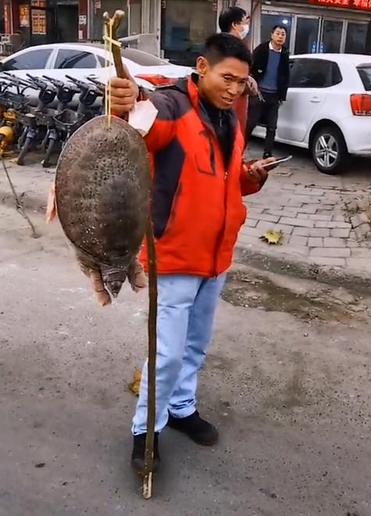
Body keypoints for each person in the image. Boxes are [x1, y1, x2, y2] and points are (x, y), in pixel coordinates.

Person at [109, 33, 274, 473]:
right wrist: (125, 101)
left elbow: (225, 179)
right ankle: (145, 432)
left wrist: (250, 176)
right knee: (166, 352)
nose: (235, 89)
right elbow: (139, 123)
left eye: (242, 82)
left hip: (216, 257)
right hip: (174, 257)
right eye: (228, 78)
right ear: (201, 68)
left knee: (196, 346)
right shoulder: (171, 107)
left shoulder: (230, 120)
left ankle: (181, 408)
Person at [246, 25, 290, 158]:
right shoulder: (262, 49)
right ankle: (239, 149)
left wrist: (282, 95)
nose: (280, 36)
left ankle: (267, 154)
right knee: (250, 124)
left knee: (272, 127)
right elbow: (251, 68)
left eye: (283, 34)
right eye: (278, 33)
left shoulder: (285, 53)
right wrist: (253, 88)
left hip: (274, 95)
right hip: (259, 93)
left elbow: (285, 75)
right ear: (272, 35)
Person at [218, 6, 259, 141]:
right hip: (230, 106)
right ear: (235, 25)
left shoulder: (236, 45)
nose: (247, 26)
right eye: (244, 23)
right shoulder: (227, 47)